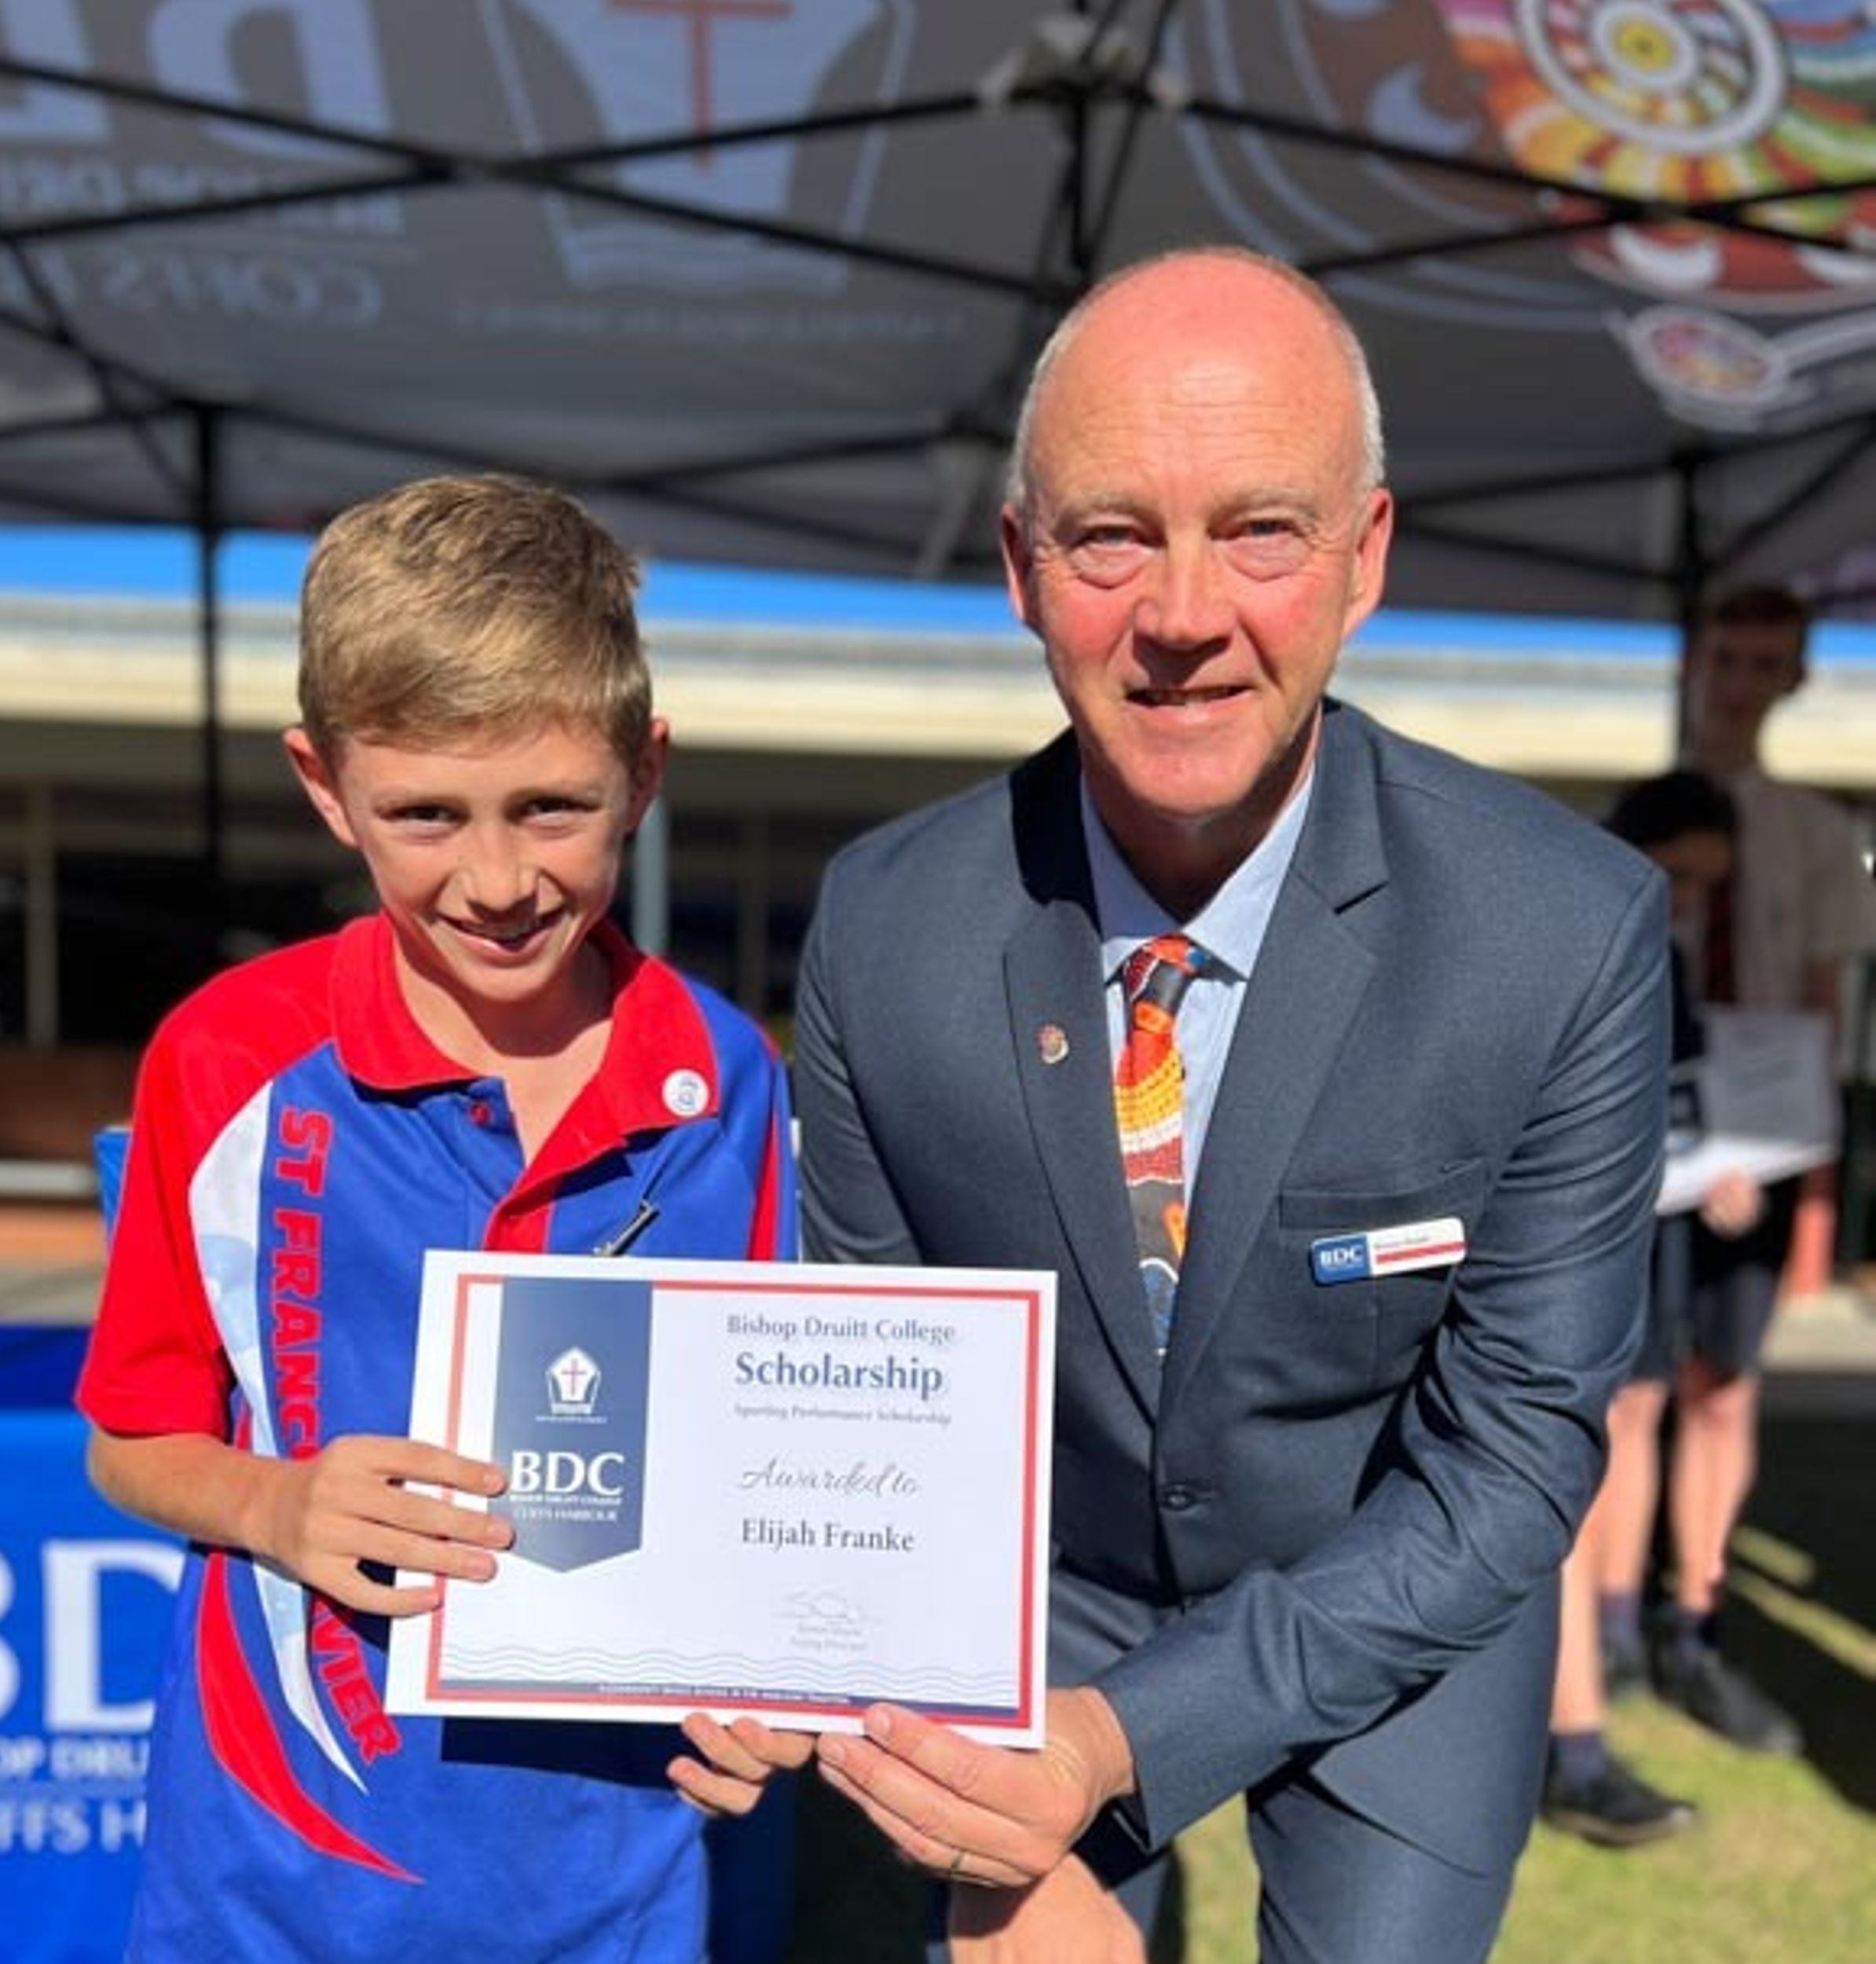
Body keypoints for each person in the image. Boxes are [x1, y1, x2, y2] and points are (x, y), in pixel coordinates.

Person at [791, 248, 1673, 1964]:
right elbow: (873, 1419)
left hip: (1392, 1593)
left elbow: (1506, 1461)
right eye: (1110, 537)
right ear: (1019, 569)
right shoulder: (884, 926)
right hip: (1027, 1599)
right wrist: (988, 1812)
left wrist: (1123, 1739)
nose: (1182, 614)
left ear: (1365, 558)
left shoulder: (1560, 934)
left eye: (1261, 530)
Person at [75, 474, 804, 1964]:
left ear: (645, 772)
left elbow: (768, 1482)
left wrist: (770, 1687)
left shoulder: (733, 1084)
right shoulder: (225, 1060)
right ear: (324, 785)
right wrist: (276, 1506)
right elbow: (130, 1438)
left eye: (553, 808)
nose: (499, 879)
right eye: (425, 815)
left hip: (622, 1883)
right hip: (275, 1885)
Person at [1630, 584, 1876, 1750]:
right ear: (1696, 664)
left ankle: (1698, 1619)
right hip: (1644, 1146)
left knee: (1724, 1388)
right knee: (1624, 1394)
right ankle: (1610, 1623)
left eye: (1762, 662)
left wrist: (1813, 1192)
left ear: (1793, 678)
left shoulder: (1818, 837)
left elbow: (1823, 1017)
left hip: (1763, 1150)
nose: (1737, 683)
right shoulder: (1636, 816)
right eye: (1723, 657)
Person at [1541, 770, 1759, 1847]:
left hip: (1641, 1231)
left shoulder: (1658, 955)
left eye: (1705, 888)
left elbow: (1674, 1105)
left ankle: (1606, 1664)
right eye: (1675, 875)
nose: (1686, 901)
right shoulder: (1569, 937)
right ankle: (1572, 1746)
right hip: (1558, 1246)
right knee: (1560, 1460)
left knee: (1631, 1419)